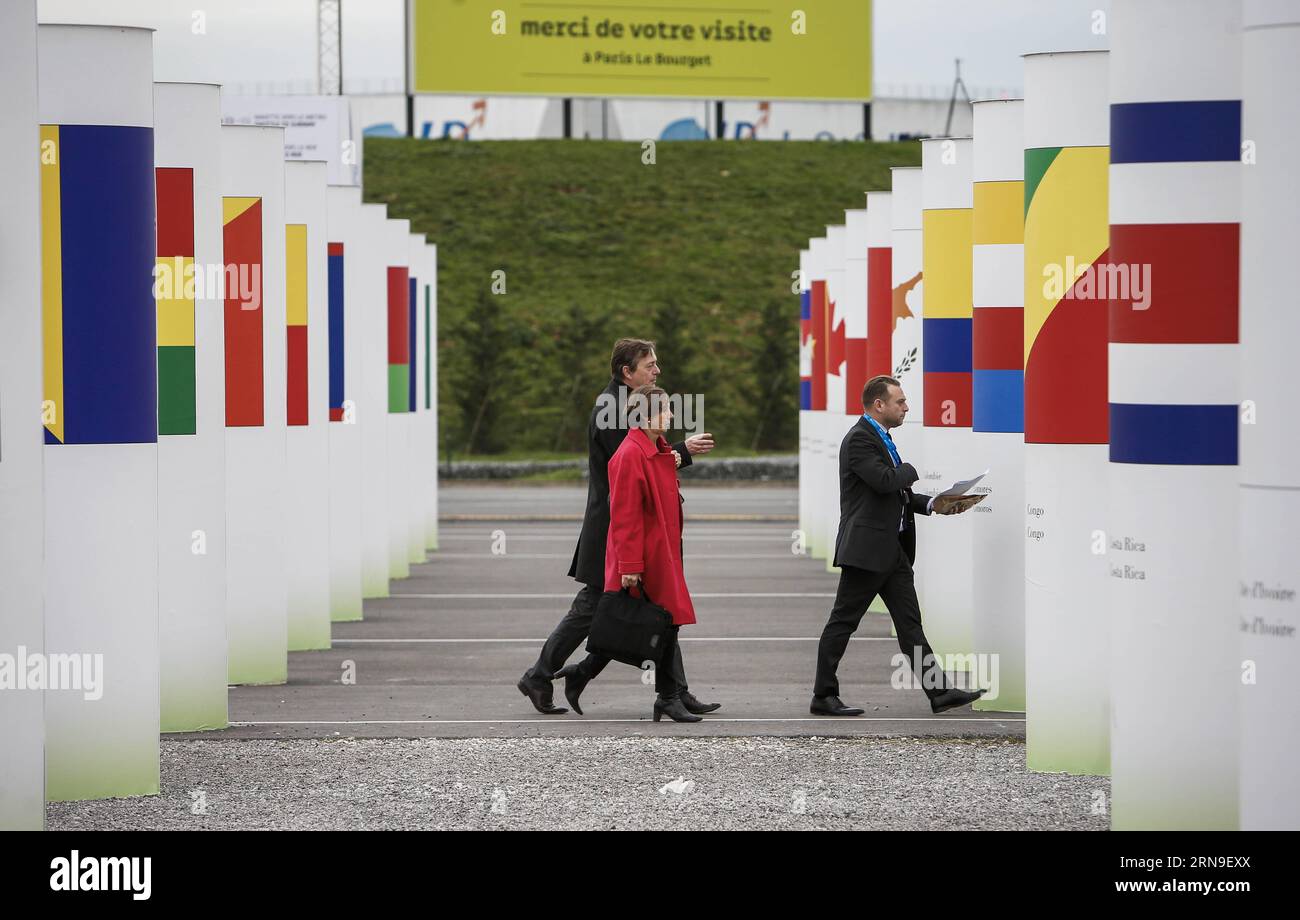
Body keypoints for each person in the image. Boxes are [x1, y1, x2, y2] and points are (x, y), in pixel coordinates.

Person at [517, 339, 717, 715]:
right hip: (616, 531)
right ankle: (543, 674)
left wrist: (681, 451)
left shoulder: (624, 406)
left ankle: (672, 690)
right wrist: (683, 451)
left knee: (652, 608)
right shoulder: (613, 411)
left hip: (624, 529)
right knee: (596, 609)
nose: (657, 371)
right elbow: (636, 465)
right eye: (650, 365)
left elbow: (647, 458)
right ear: (628, 372)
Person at [811, 375, 986, 716]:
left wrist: (936, 503)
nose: (906, 407)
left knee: (910, 626)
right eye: (900, 402)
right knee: (843, 622)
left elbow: (897, 494)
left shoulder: (881, 438)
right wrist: (911, 469)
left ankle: (939, 692)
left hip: (891, 551)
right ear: (879, 405)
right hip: (866, 551)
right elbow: (885, 480)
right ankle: (823, 695)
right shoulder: (861, 439)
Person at [603, 385, 703, 722]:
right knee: (661, 626)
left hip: (663, 551)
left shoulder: (654, 448)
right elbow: (625, 515)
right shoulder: (629, 455)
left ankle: (671, 695)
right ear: (645, 416)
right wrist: (630, 565)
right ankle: (668, 697)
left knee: (666, 624)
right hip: (649, 555)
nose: (672, 416)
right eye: (665, 410)